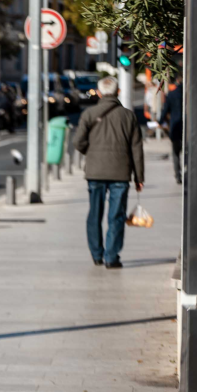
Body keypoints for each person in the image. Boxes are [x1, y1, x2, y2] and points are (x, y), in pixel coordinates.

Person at [74, 76, 145, 269]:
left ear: (99, 93)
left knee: (94, 214)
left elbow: (78, 142)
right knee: (116, 215)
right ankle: (111, 257)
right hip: (120, 172)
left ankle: (97, 254)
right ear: (117, 92)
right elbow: (136, 149)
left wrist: (92, 153)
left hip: (95, 172)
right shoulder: (128, 116)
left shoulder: (89, 114)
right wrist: (139, 177)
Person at [160, 75, 183, 185]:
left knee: (175, 152)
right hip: (187, 126)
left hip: (175, 126)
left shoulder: (171, 94)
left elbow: (165, 111)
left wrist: (160, 121)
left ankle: (178, 175)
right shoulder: (187, 93)